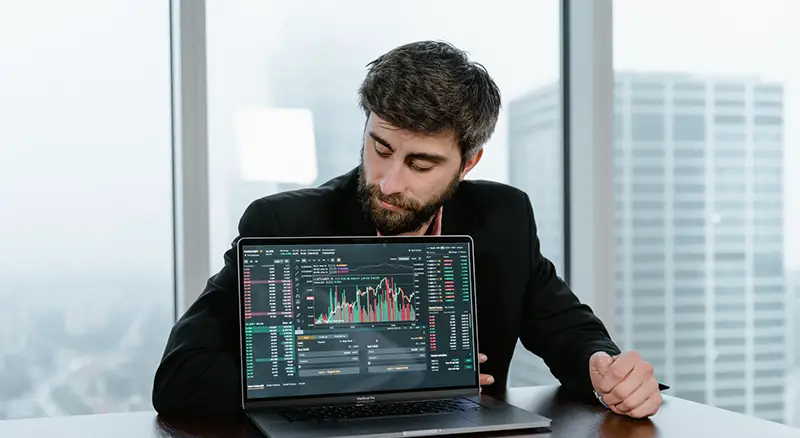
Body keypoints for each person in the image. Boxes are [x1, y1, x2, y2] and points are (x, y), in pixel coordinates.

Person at [153, 41, 663, 419]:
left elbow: (568, 330)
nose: (388, 183)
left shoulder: (503, 218)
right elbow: (180, 378)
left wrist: (605, 369)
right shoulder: (284, 223)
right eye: (380, 149)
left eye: (420, 164)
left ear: (468, 162)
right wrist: (368, 376)